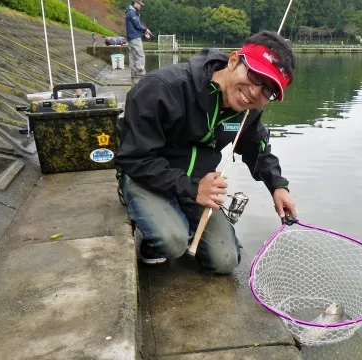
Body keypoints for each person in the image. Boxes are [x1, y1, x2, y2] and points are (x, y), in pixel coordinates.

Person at [115, 30, 297, 275]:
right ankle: (149, 223)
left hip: (198, 187)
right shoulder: (163, 88)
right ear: (234, 61)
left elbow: (257, 148)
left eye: (269, 91)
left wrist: (278, 185)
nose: (255, 92)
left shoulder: (247, 112)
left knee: (225, 261)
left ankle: (178, 220)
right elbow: (132, 157)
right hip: (147, 178)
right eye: (255, 76)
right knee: (172, 241)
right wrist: (191, 189)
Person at [125, 0, 153, 85]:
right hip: (134, 37)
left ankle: (134, 75)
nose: (141, 6)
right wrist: (145, 29)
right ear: (136, 3)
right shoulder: (132, 13)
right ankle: (140, 75)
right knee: (140, 55)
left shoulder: (130, 12)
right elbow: (137, 24)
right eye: (140, 5)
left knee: (133, 55)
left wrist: (144, 32)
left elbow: (135, 26)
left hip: (132, 37)